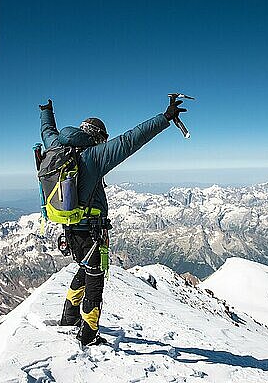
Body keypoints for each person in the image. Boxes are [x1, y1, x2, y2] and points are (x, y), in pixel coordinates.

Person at [39, 96, 188, 345]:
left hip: (70, 229)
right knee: (95, 280)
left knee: (84, 270)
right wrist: (165, 118)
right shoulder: (94, 156)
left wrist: (46, 111)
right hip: (91, 233)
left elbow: (47, 131)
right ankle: (88, 334)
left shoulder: (57, 148)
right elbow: (131, 140)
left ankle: (68, 316)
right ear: (98, 137)